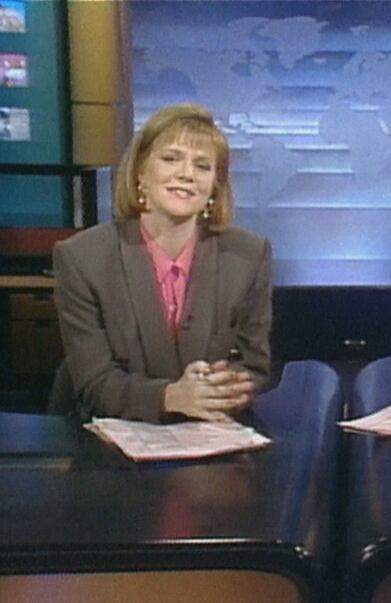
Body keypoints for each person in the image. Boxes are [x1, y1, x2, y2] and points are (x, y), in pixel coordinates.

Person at [53, 104, 272, 423]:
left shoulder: (248, 256)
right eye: (170, 158)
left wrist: (221, 388)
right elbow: (93, 383)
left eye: (202, 166)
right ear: (141, 172)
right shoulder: (83, 258)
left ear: (214, 186)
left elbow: (253, 366)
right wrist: (169, 396)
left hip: (210, 433)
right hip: (114, 443)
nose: (186, 174)